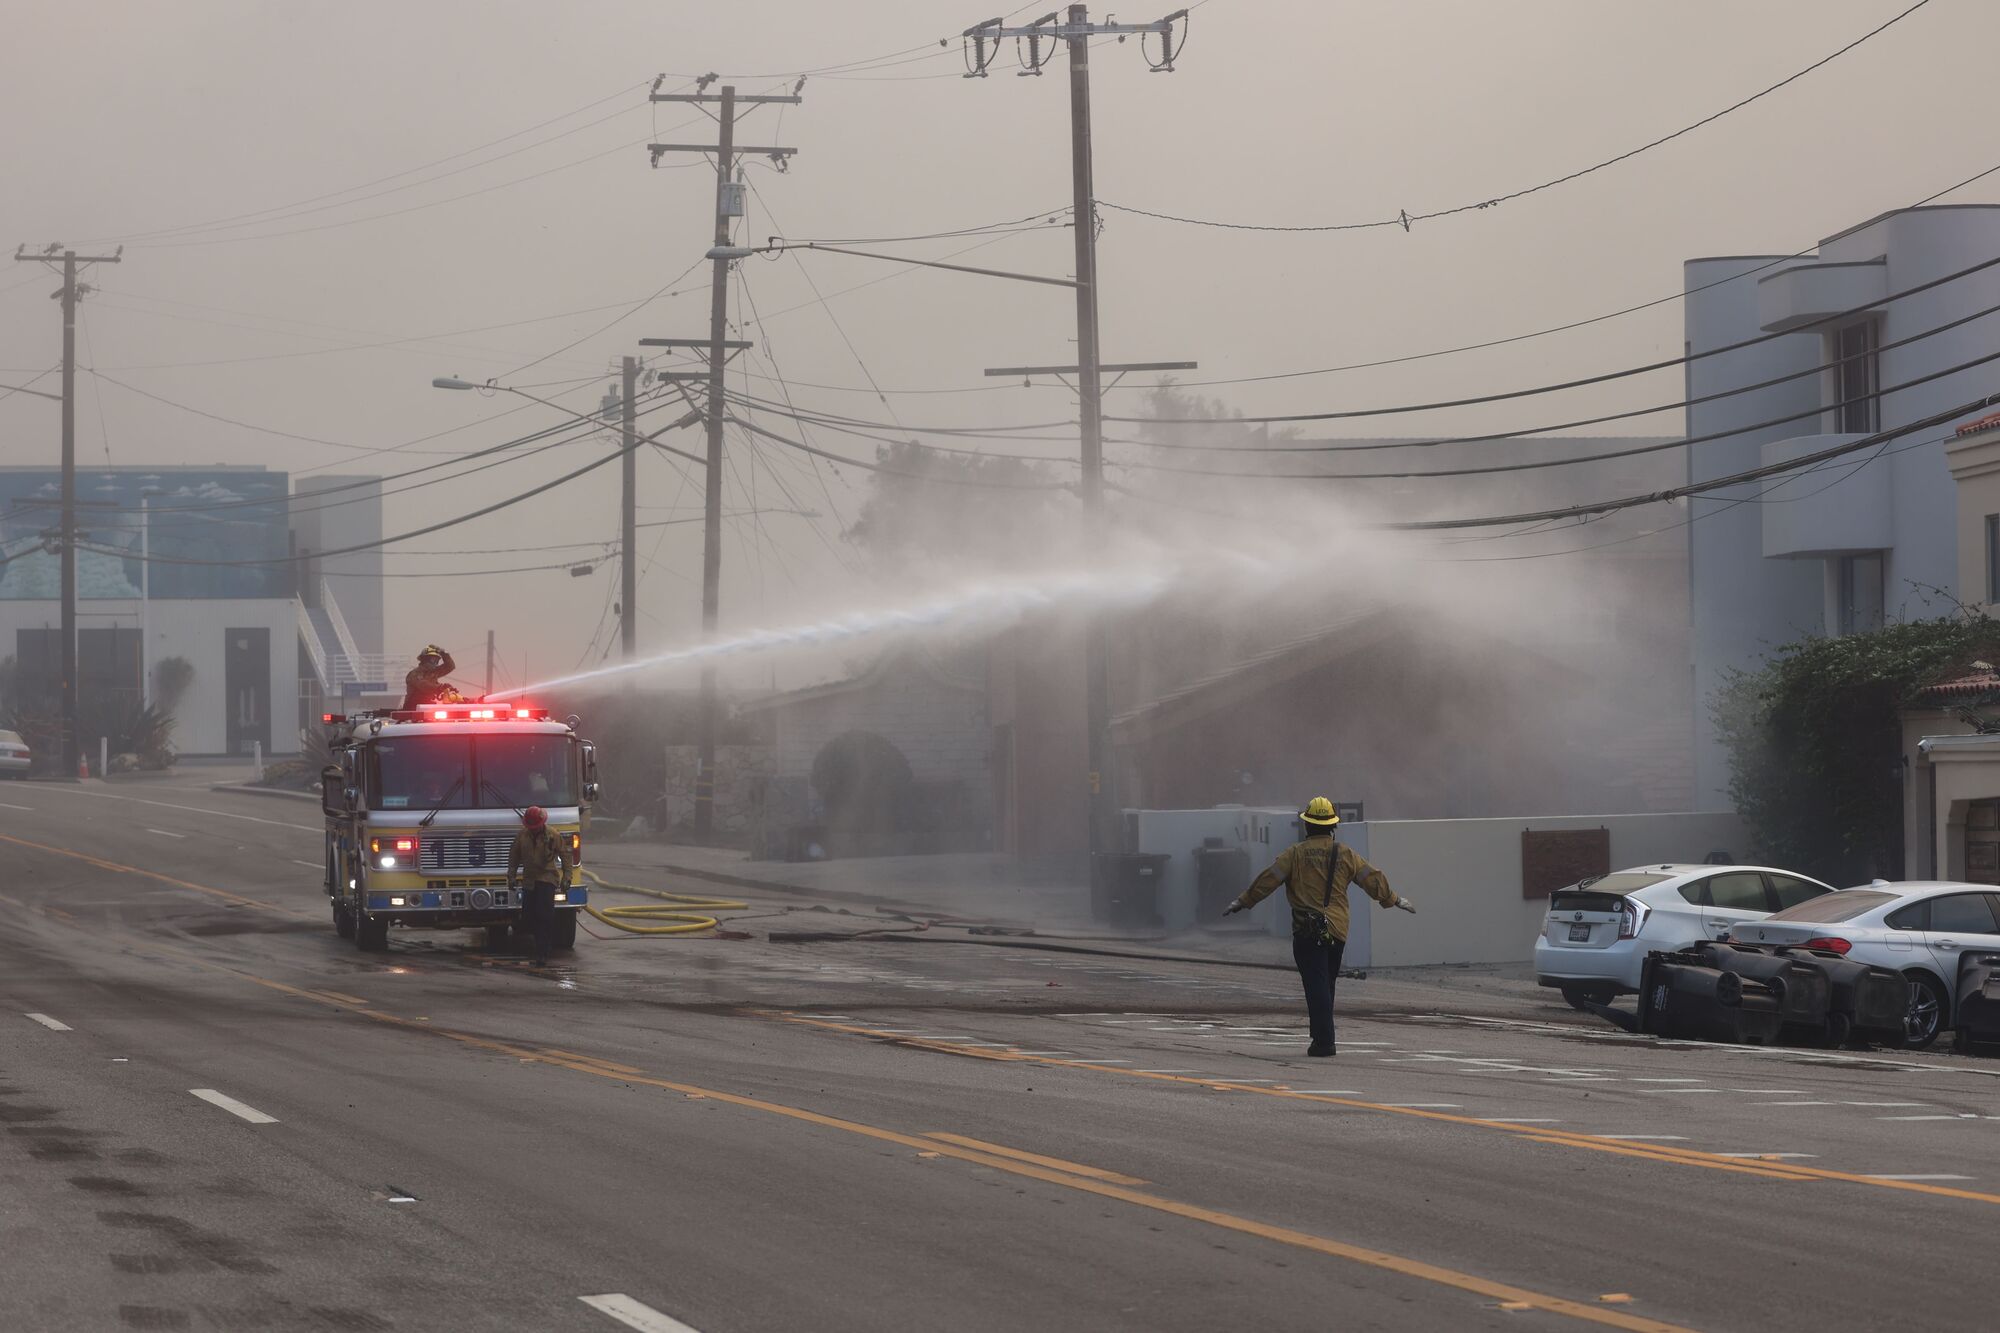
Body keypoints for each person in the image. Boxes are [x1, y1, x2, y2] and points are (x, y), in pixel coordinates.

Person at [1224, 797, 1414, 1058]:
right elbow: (1371, 878)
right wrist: (1393, 899)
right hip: (1338, 930)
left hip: (1308, 930)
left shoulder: (1294, 854)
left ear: (1307, 826)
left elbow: (1268, 880)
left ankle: (1324, 1042)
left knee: (1316, 985)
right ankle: (1321, 1037)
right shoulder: (1345, 854)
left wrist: (1244, 901)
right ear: (1332, 826)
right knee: (1326, 984)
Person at [506, 805, 573, 967]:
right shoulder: (522, 836)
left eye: (535, 826)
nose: (534, 829)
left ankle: (543, 952)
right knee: (528, 916)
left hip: (547, 879)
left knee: (544, 916)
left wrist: (567, 878)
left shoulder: (553, 835)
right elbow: (514, 856)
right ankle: (537, 945)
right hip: (529, 881)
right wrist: (511, 876)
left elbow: (565, 856)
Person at [401, 644, 458, 710]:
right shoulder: (415, 673)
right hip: (412, 707)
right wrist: (439, 687)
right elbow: (423, 685)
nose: (435, 663)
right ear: (424, 659)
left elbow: (450, 666)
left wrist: (443, 653)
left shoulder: (433, 672)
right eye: (433, 660)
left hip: (426, 705)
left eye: (436, 661)